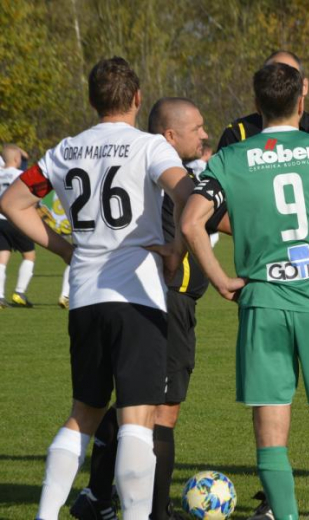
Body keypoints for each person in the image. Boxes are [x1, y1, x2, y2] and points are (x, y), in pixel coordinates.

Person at [181, 62, 309, 520]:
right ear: (301, 100)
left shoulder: (230, 158)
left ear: (256, 105)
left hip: (263, 302)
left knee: (271, 429)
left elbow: (191, 221)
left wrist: (219, 278)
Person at [0, 56, 192, 520]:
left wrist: (65, 249)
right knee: (137, 420)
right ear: (138, 98)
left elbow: (12, 202)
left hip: (85, 297)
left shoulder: (66, 150)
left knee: (83, 412)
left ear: (92, 101)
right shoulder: (150, 146)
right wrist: (176, 248)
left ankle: (46, 514)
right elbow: (186, 192)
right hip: (137, 298)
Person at [69, 97, 222, 520]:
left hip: (133, 299)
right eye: (197, 128)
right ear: (170, 135)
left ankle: (97, 496)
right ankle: (154, 512)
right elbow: (219, 219)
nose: (204, 135)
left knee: (129, 406)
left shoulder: (144, 168)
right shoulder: (167, 175)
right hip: (166, 302)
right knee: (160, 413)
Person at [217, 50, 309, 233]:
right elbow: (214, 209)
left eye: (290, 75)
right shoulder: (237, 134)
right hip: (261, 248)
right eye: (271, 75)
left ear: (304, 86)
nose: (280, 81)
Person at [0, 144, 36, 308]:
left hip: (0, 220)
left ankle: (0, 295)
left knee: (2, 258)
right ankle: (19, 293)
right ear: (16, 159)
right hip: (16, 219)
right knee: (29, 255)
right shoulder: (22, 175)